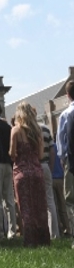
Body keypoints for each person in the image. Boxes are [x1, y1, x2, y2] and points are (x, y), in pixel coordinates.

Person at [11, 102, 50, 246]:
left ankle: (30, 241)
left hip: (21, 172)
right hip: (37, 172)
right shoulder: (38, 131)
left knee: (26, 208)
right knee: (40, 207)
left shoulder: (16, 130)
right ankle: (44, 240)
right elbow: (40, 155)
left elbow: (12, 154)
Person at [0, 101, 17, 239]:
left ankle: (1, 230)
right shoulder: (8, 126)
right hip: (8, 164)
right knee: (10, 199)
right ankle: (12, 230)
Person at [57, 80, 74, 242]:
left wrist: (63, 161)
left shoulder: (66, 115)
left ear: (67, 95)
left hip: (72, 161)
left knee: (70, 199)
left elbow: (61, 143)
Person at [38, 119, 59, 239]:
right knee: (50, 201)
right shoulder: (45, 128)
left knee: (37, 201)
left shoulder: (29, 129)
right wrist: (50, 166)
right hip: (45, 165)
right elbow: (52, 149)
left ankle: (42, 232)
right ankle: (54, 233)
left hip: (35, 165)